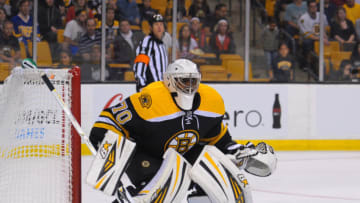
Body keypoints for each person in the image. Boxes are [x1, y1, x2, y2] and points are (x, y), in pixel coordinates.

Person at [88, 59, 275, 202]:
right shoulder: (150, 100)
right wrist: (112, 163)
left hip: (182, 156)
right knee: (158, 193)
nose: (190, 86)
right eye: (184, 81)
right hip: (146, 155)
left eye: (194, 81)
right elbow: (107, 123)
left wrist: (236, 150)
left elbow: (218, 138)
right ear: (169, 81)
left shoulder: (211, 101)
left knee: (212, 179)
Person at [133, 14, 168, 92]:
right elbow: (140, 65)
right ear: (150, 28)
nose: (159, 27)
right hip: (151, 89)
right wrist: (141, 86)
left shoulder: (162, 44)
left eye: (161, 24)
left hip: (162, 89)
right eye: (156, 24)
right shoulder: (147, 42)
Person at [298, 0, 329, 68]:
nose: (313, 8)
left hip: (320, 37)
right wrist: (321, 39)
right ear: (308, 7)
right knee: (307, 43)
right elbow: (307, 34)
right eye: (311, 7)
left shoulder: (322, 15)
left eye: (315, 6)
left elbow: (325, 28)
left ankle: (327, 64)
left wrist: (325, 36)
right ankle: (307, 65)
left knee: (331, 41)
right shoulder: (303, 18)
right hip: (308, 38)